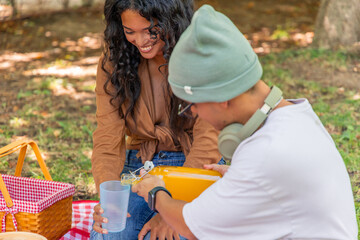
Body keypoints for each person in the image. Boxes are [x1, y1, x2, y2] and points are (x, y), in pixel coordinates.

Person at [132, 5, 358, 240]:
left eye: (192, 106)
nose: (196, 114)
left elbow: (191, 228)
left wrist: (156, 194)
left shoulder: (265, 152)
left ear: (222, 98)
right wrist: (240, 178)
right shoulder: (296, 116)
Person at [90, 1, 223, 240]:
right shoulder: (114, 59)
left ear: (171, 20)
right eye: (129, 31)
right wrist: (109, 200)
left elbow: (209, 139)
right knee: (109, 234)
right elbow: (107, 138)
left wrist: (172, 210)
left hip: (195, 164)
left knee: (177, 234)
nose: (140, 41)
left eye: (150, 30)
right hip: (140, 165)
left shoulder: (203, 54)